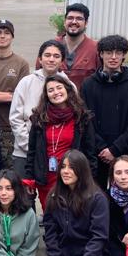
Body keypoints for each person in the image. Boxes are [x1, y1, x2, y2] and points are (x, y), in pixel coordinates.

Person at [41, 150, 109, 256]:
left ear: (82, 170)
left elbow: (99, 237)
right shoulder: (54, 196)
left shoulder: (97, 198)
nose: (65, 171)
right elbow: (50, 234)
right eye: (63, 167)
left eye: (71, 167)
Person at [81, 34, 128, 188]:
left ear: (124, 55)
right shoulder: (88, 85)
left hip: (126, 154)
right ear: (101, 54)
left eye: (118, 53)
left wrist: (114, 149)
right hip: (96, 155)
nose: (113, 57)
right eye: (109, 52)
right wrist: (102, 148)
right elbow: (85, 119)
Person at [25, 76, 98, 207]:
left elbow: (90, 151)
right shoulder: (39, 118)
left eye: (59, 88)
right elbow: (32, 151)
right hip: (46, 178)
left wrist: (90, 178)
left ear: (68, 90)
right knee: (51, 219)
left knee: (72, 217)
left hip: (73, 178)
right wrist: (30, 178)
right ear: (46, 95)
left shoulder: (82, 117)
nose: (56, 92)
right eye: (51, 90)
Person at [9, 40, 73, 178]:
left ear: (62, 60)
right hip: (24, 152)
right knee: (23, 195)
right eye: (47, 55)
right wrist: (32, 146)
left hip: (58, 154)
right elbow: (15, 118)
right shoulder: (26, 82)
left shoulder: (68, 86)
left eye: (56, 56)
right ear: (40, 59)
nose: (51, 59)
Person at [0, 19, 31, 169]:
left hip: (10, 127)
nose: (2, 36)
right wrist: (9, 95)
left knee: (9, 174)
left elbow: (22, 96)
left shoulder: (21, 64)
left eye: (7, 33)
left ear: (12, 37)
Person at [59, 3, 99, 89]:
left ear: (86, 23)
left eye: (79, 19)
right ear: (64, 22)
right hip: (55, 100)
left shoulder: (96, 49)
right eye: (70, 18)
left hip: (85, 101)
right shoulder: (51, 47)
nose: (74, 22)